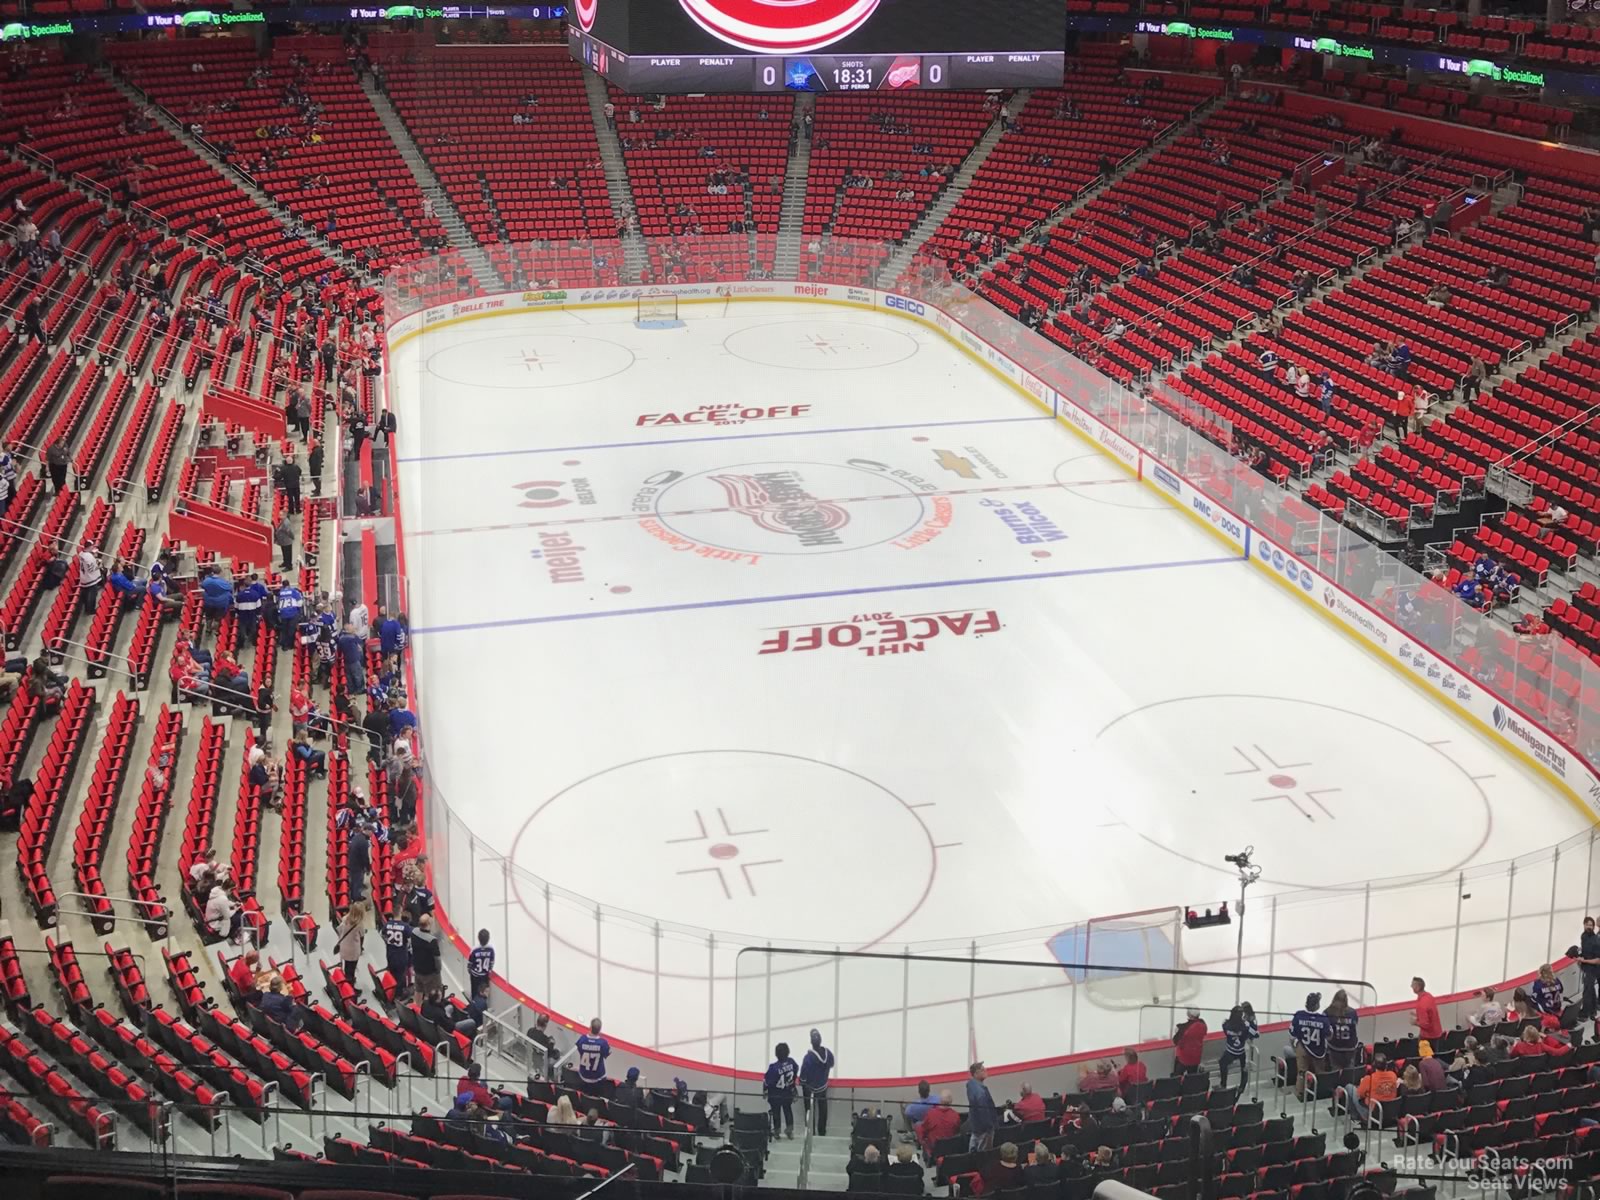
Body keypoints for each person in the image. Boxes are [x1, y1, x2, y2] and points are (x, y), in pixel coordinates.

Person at [1291, 992, 1331, 1099]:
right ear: (1317, 1005)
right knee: (1319, 1072)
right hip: (1318, 1050)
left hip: (1303, 1048)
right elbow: (1329, 1034)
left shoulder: (1299, 1016)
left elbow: (1292, 1032)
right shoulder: (1323, 1019)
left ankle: (1300, 1093)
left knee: (1302, 1072)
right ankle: (1319, 1092)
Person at [1342, 1054, 1398, 1126]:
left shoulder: (1369, 1079)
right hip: (1390, 1114)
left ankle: (1355, 1117)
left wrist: (1362, 1084)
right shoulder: (1393, 1075)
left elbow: (1359, 1095)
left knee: (1349, 1087)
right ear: (1386, 1066)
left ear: (1373, 1066)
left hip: (1372, 1115)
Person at [800, 1028, 834, 1135]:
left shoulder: (808, 1058)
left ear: (811, 1042)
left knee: (809, 1110)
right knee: (823, 1108)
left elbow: (803, 1077)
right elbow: (831, 1064)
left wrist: (803, 1081)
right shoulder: (828, 1053)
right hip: (823, 1086)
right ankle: (822, 1131)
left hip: (810, 1089)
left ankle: (811, 1132)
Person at [764, 1041, 798, 1139]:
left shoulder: (773, 1068)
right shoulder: (792, 1062)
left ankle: (777, 1131)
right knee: (788, 1110)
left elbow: (768, 1081)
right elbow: (795, 1070)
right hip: (787, 1092)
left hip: (776, 1095)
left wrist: (765, 1090)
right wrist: (792, 1084)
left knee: (776, 1112)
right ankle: (789, 1130)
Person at [1219, 1003, 1257, 1089]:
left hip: (1230, 1051)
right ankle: (1242, 1086)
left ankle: (1223, 1084)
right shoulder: (1244, 1026)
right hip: (1241, 1051)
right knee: (1244, 1068)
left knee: (1222, 1063)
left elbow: (1225, 1031)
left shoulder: (1226, 1024)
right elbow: (1254, 1034)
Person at [336, 900, 367, 992]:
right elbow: (362, 938)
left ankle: (348, 982)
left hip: (344, 947)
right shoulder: (359, 924)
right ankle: (350, 990)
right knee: (351, 969)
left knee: (347, 967)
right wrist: (361, 949)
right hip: (353, 950)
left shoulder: (345, 918)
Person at [918, 1090, 960, 1158]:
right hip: (950, 1147)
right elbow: (957, 1131)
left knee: (918, 1126)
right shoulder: (955, 1115)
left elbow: (924, 1129)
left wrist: (922, 1139)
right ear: (951, 1102)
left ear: (939, 1100)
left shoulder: (931, 1114)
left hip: (935, 1148)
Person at [1325, 989, 1360, 1070]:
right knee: (1349, 1071)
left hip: (1335, 1047)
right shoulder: (1352, 1012)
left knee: (1335, 1071)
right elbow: (1355, 1023)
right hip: (1350, 1047)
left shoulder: (1328, 1012)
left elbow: (1325, 1029)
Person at [966, 1060, 997, 1151]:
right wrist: (990, 1127)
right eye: (982, 1070)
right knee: (983, 1154)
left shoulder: (971, 1085)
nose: (985, 1071)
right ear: (976, 1074)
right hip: (984, 1130)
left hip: (976, 1128)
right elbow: (984, 1112)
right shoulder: (980, 1093)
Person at [381, 908, 413, 997]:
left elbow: (382, 934)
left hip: (390, 954)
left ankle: (391, 991)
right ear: (401, 913)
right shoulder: (405, 927)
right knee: (401, 976)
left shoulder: (387, 925)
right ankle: (398, 995)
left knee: (392, 974)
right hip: (401, 955)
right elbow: (410, 941)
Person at [575, 1017, 612, 1093]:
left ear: (590, 1027)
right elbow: (607, 1053)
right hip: (598, 1077)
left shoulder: (582, 1039)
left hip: (584, 1075)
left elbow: (579, 1049)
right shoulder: (603, 1043)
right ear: (599, 1030)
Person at [411, 913, 441, 1000]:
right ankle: (427, 1010)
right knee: (430, 994)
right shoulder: (432, 940)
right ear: (428, 923)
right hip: (429, 974)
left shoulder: (414, 932)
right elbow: (437, 959)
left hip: (417, 969)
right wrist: (438, 971)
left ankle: (417, 1008)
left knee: (418, 990)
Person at [1173, 1008, 1207, 1074]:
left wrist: (1177, 1032)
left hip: (1183, 1058)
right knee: (1192, 1076)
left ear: (1189, 1015)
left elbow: (1176, 1041)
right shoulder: (1203, 1025)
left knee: (1177, 1075)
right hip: (1196, 1058)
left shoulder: (1183, 1029)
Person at [1411, 976, 1444, 1043]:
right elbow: (1429, 1014)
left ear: (1418, 987)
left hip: (1428, 1037)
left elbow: (1425, 1025)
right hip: (1437, 1033)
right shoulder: (1429, 996)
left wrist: (1414, 1023)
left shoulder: (1421, 1004)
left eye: (1413, 985)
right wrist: (1418, 1015)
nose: (1411, 986)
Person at [1581, 918, 1600, 1020]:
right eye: (1587, 925)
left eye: (1591, 925)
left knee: (1587, 990)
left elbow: (1598, 960)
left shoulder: (1596, 940)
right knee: (1590, 989)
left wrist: (1584, 961)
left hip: (1593, 969)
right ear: (1584, 925)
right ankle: (1592, 1011)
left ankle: (1585, 1013)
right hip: (1586, 967)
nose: (1589, 927)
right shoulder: (1583, 936)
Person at [468, 928, 494, 1000]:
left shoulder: (475, 949)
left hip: (475, 975)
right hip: (485, 975)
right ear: (488, 939)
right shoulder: (491, 949)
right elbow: (491, 962)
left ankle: (474, 1003)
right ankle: (482, 1007)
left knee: (474, 991)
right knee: (484, 993)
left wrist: (470, 971)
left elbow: (470, 963)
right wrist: (489, 970)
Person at [76, 549, 104, 615]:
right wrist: (99, 566)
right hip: (90, 580)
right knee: (91, 596)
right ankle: (90, 610)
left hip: (84, 578)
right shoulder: (88, 558)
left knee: (87, 595)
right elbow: (91, 569)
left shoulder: (81, 554)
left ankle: (88, 608)